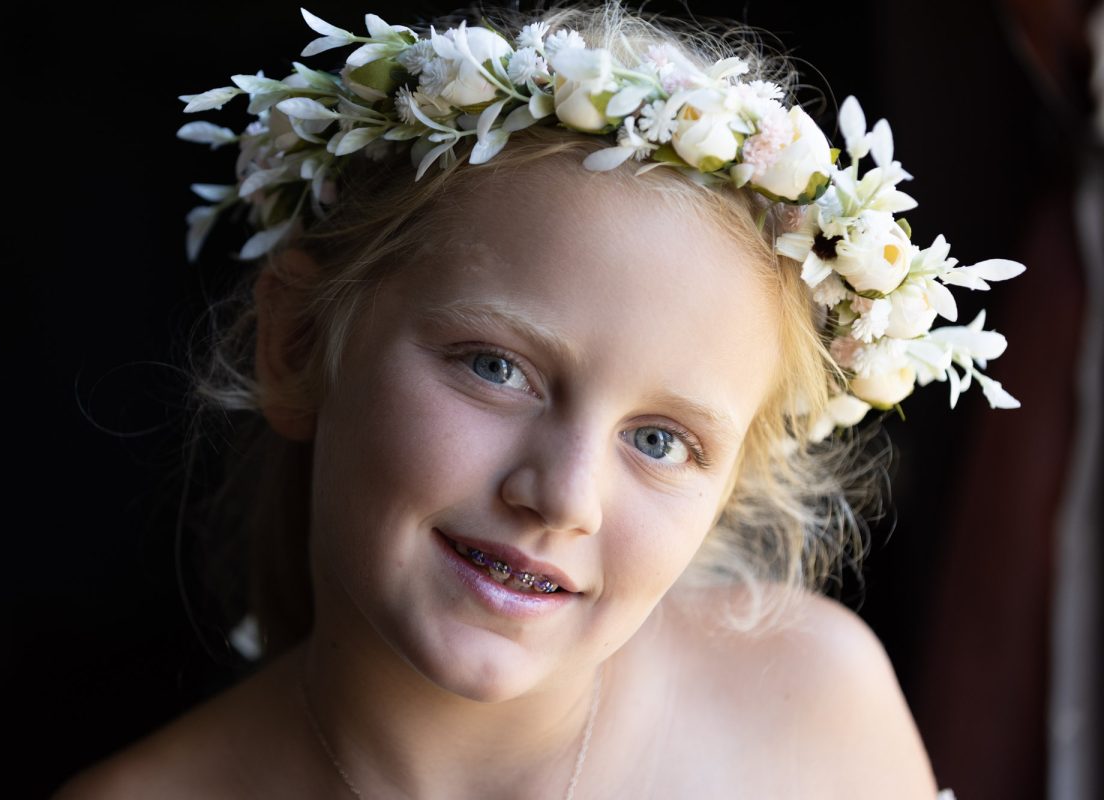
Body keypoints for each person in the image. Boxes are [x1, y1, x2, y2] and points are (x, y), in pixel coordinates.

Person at [56, 2, 1024, 796]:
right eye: (495, 367)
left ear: (731, 489)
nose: (562, 496)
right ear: (297, 342)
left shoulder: (811, 709)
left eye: (659, 439)